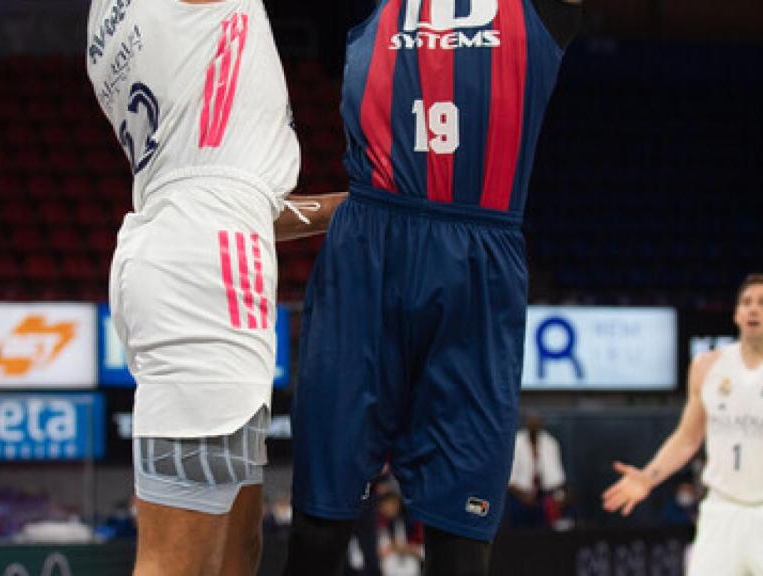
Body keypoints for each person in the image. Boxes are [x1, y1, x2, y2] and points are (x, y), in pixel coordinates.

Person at [284, 1, 583, 573]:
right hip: (371, 243)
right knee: (318, 524)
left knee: (461, 534)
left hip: (478, 253)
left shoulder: (536, 10)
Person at [85, 1, 344, 574]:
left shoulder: (106, 23)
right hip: (208, 273)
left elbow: (230, 191)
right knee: (178, 563)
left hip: (191, 243)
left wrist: (343, 209)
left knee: (236, 550)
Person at [603, 273, 763, 575]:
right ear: (736, 314)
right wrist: (648, 477)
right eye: (746, 302)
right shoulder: (706, 366)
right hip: (721, 512)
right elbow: (688, 438)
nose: (753, 309)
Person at [507, 415, 567, 529]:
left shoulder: (549, 442)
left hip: (544, 496)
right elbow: (509, 476)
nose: (534, 426)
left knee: (544, 530)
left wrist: (558, 495)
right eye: (531, 424)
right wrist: (522, 495)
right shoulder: (516, 441)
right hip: (518, 496)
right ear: (526, 425)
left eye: (536, 424)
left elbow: (556, 474)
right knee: (520, 530)